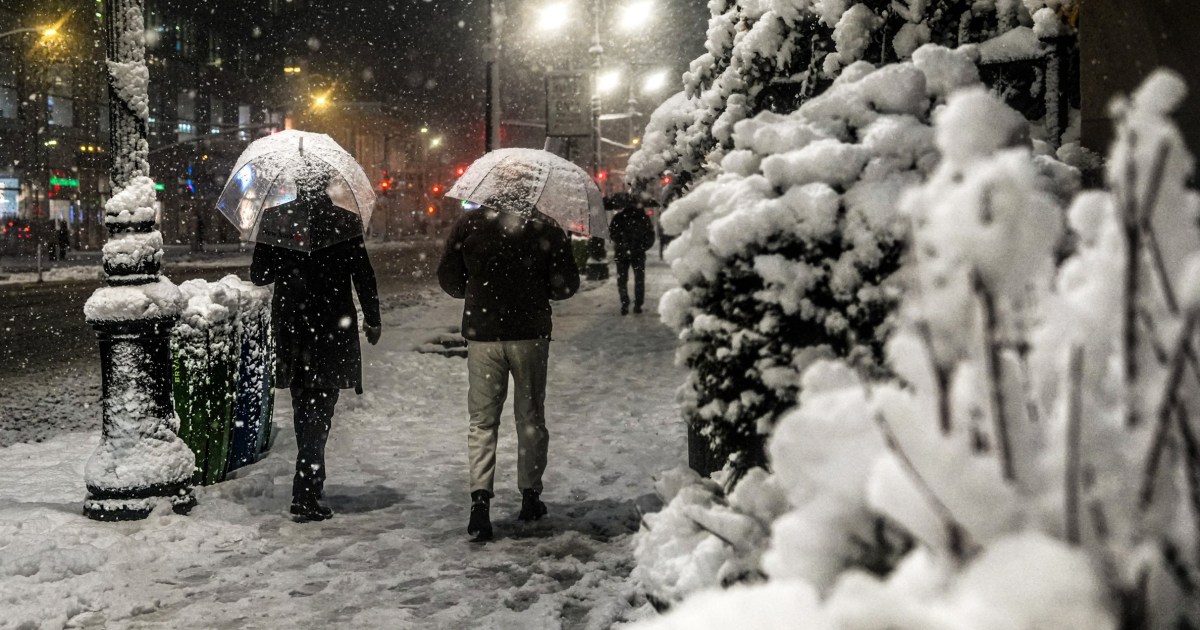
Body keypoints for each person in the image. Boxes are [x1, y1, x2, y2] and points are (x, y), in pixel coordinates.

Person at [437, 205, 580, 542]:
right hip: (529, 333)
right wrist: (535, 285)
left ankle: (480, 502)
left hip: (483, 332)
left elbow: (449, 279)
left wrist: (478, 288)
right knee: (530, 416)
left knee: (483, 421)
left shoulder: (468, 223)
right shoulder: (546, 226)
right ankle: (530, 497)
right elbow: (565, 286)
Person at [250, 161, 382, 523]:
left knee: (302, 404)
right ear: (327, 183)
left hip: (293, 326)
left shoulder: (276, 219)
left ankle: (311, 478)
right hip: (332, 328)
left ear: (295, 182)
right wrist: (373, 318)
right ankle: (305, 489)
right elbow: (363, 276)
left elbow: (258, 275)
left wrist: (285, 258)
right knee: (321, 408)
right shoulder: (346, 220)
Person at [608, 201, 656, 315]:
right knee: (639, 279)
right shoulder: (643, 218)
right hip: (638, 254)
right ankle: (638, 304)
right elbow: (650, 236)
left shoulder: (618, 217)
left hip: (621, 253)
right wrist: (642, 247)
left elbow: (612, 233)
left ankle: (624, 303)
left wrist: (621, 243)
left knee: (622, 279)